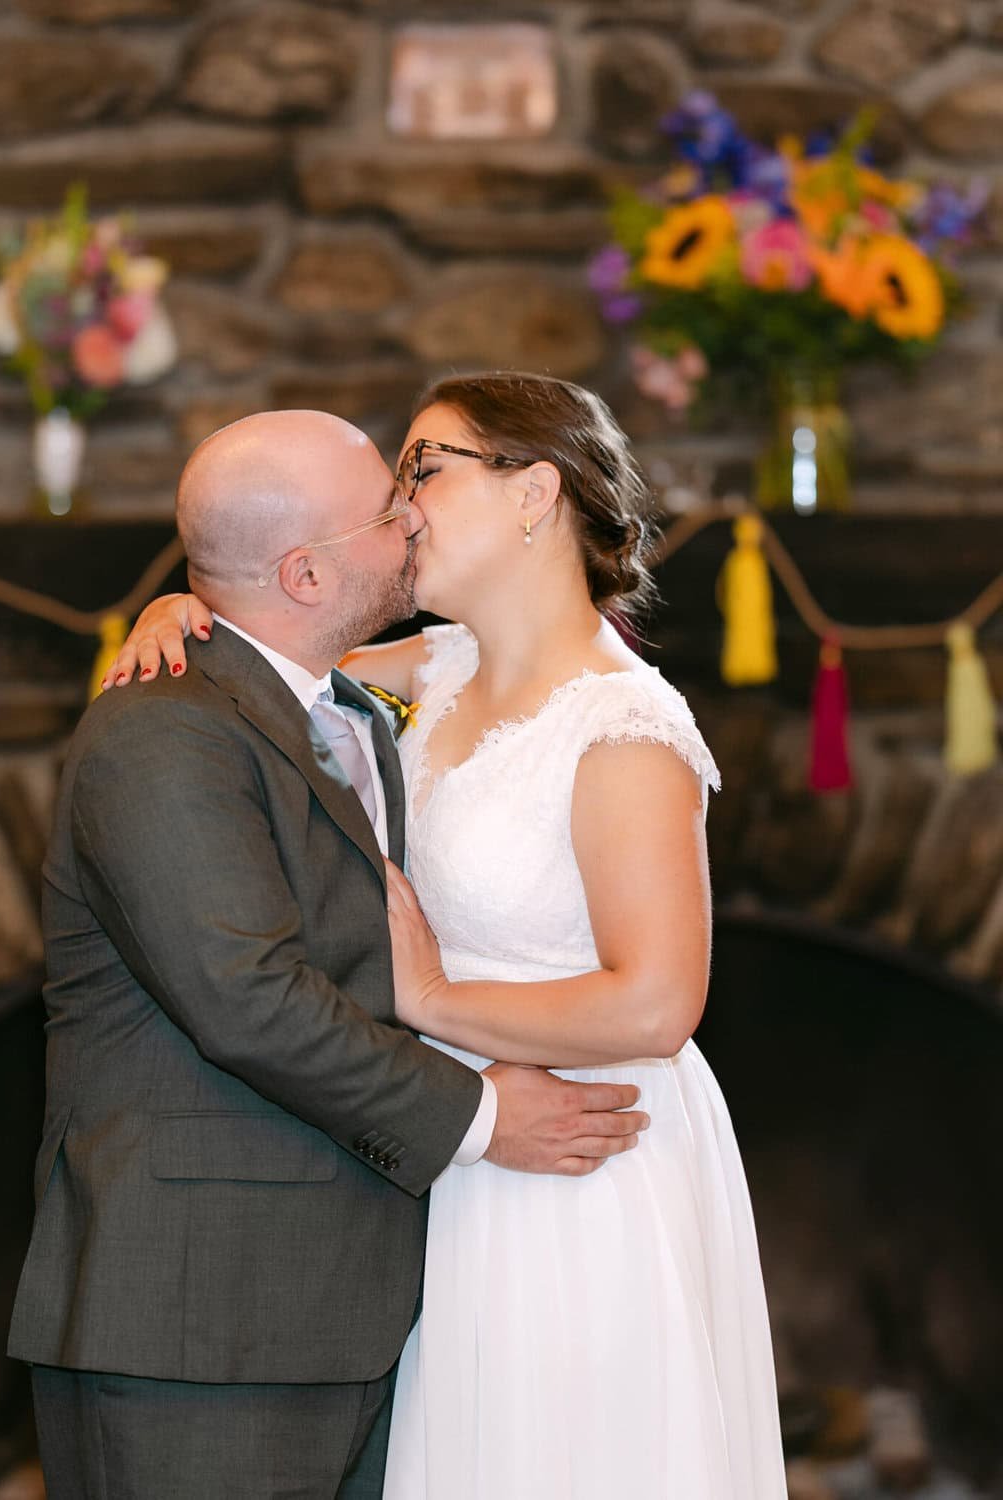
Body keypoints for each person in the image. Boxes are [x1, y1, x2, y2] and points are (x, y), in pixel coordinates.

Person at [108, 372, 789, 1498]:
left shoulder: (625, 728)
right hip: (456, 1158)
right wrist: (185, 610)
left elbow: (659, 1005)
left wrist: (429, 1002)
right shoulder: (442, 664)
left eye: (424, 468)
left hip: (579, 1163)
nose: (404, 504)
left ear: (533, 494)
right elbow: (274, 666)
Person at [9, 407, 648, 1500]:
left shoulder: (360, 704)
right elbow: (248, 1001)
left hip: (366, 1312)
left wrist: (190, 597)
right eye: (386, 513)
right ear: (304, 574)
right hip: (198, 1324)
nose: (411, 525)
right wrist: (488, 1116)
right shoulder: (161, 732)